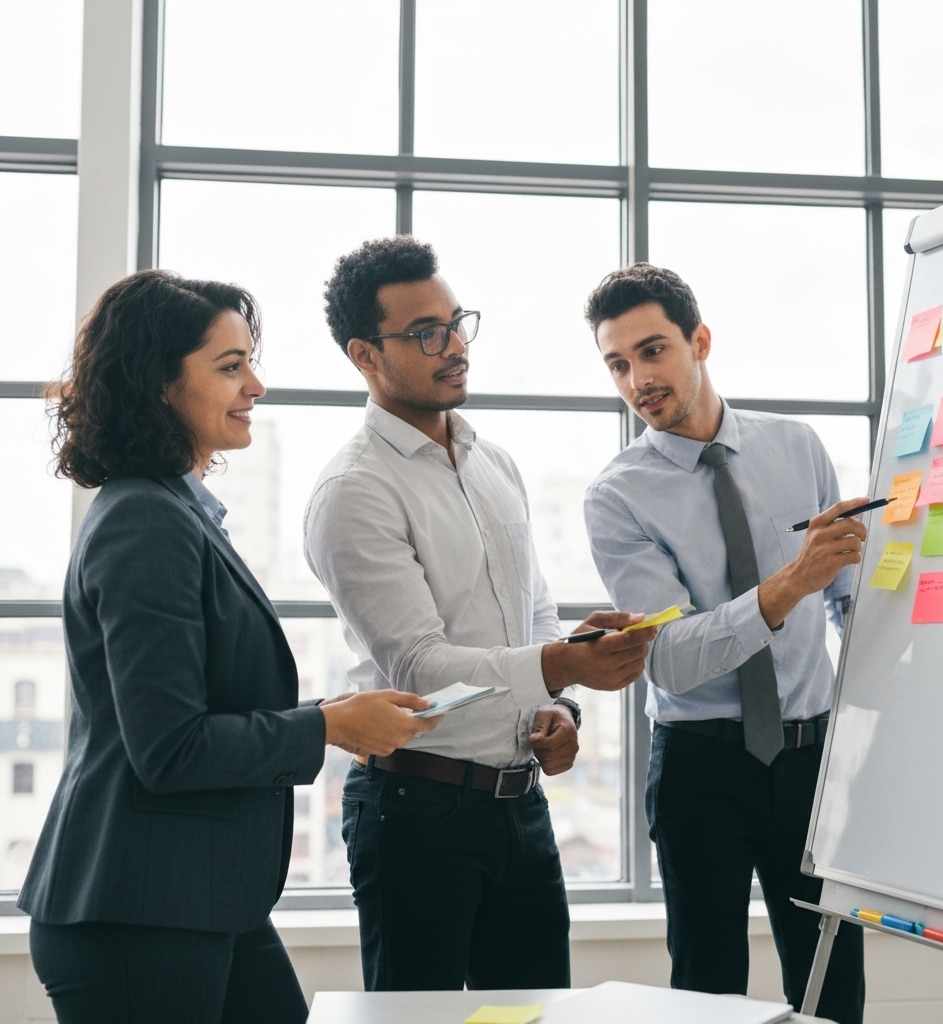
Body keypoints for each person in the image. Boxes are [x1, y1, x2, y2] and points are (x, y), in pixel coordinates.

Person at [18, 269, 439, 1024]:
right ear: (159, 385)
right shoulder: (143, 521)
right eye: (230, 365)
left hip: (197, 900)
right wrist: (332, 725)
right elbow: (169, 748)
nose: (257, 384)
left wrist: (332, 714)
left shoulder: (175, 512)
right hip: (137, 912)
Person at [304, 236, 656, 992]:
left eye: (456, 322)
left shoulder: (494, 463)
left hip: (518, 804)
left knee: (534, 1017)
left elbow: (532, 613)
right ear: (366, 356)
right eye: (425, 333)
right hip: (414, 812)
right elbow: (420, 667)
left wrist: (557, 706)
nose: (454, 345)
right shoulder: (354, 491)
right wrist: (563, 664)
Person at [581, 263, 866, 1024]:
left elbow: (847, 601)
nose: (638, 378)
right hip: (701, 767)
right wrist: (786, 586)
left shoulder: (797, 447)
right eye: (618, 363)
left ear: (699, 340)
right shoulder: (617, 496)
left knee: (833, 987)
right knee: (706, 995)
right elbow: (668, 657)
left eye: (652, 351)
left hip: (811, 759)